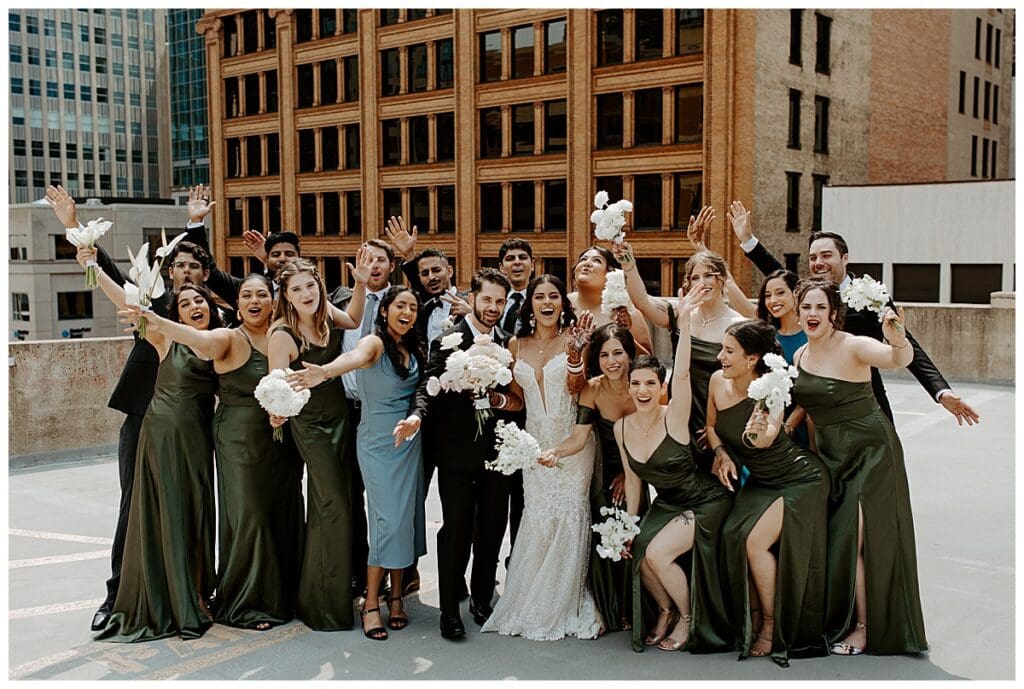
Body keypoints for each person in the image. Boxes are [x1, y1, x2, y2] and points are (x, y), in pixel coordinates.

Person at [45, 183, 225, 632]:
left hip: (194, 424)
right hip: (143, 416)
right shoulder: (155, 304)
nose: (184, 272)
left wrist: (196, 226)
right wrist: (73, 227)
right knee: (134, 507)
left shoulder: (215, 320)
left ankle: (195, 590)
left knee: (194, 508)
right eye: (177, 264)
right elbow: (108, 273)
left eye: (192, 266)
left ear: (204, 275)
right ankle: (117, 594)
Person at [117, 274, 304, 631]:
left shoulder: (285, 334)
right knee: (250, 517)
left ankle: (283, 595)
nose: (254, 300)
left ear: (273, 300)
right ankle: (245, 602)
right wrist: (154, 318)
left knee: (284, 511)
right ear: (237, 303)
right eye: (246, 294)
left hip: (282, 440)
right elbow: (197, 338)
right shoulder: (227, 337)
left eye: (262, 294)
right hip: (237, 438)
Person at [730, 208, 979, 426]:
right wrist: (748, 241)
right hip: (816, 403)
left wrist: (940, 391)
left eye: (826, 255)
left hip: (864, 398)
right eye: (813, 257)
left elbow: (906, 343)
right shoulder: (807, 293)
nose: (818, 263)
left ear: (844, 258)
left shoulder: (871, 296)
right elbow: (778, 275)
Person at [84, 256, 220, 641]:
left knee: (196, 513)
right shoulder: (164, 338)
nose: (196, 307)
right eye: (186, 304)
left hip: (199, 437)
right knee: (161, 511)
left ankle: (195, 592)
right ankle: (166, 597)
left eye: (201, 302)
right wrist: (92, 261)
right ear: (174, 313)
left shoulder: (220, 341)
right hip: (160, 434)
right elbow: (127, 300)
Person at [790, 278, 927, 655]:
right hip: (833, 457)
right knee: (843, 538)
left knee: (857, 537)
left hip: (872, 453)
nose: (812, 314)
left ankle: (865, 628)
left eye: (820, 307)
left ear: (834, 313)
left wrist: (896, 339)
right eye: (806, 307)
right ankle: (852, 619)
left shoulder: (853, 345)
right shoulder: (799, 356)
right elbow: (812, 413)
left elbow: (898, 360)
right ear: (798, 312)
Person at [287, 286, 428, 641]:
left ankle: (396, 599)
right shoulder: (374, 343)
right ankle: (370, 604)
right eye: (400, 305)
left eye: (412, 307)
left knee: (405, 521)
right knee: (386, 522)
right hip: (378, 443)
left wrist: (414, 419)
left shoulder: (413, 347)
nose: (407, 312)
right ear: (384, 312)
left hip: (408, 442)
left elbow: (420, 392)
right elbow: (352, 359)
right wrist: (325, 372)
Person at [481, 275, 601, 640]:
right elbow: (518, 399)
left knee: (568, 513)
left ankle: (560, 602)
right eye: (539, 297)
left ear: (562, 304)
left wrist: (578, 356)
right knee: (538, 515)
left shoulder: (575, 339)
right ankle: (528, 596)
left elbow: (579, 390)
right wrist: (493, 398)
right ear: (529, 304)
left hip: (572, 439)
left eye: (553, 296)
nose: (546, 302)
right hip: (533, 442)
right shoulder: (517, 344)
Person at [614, 284, 733, 653]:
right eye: (636, 383)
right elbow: (634, 483)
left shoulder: (675, 418)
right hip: (666, 504)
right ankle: (664, 610)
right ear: (629, 387)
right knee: (640, 551)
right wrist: (627, 527)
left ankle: (688, 617)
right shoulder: (622, 427)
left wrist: (681, 327)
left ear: (660, 386)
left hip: (703, 502)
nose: (643, 390)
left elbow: (682, 376)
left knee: (657, 555)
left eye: (650, 383)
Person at [705, 320, 831, 666]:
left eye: (729, 351)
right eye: (722, 348)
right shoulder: (718, 381)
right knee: (731, 534)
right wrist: (720, 453)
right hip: (761, 481)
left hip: (799, 479)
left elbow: (767, 435)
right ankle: (753, 615)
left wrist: (759, 431)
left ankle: (773, 624)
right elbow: (711, 427)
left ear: (752, 359)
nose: (721, 357)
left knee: (753, 542)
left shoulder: (768, 390)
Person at [410, 268, 514, 640]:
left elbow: (513, 398)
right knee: (455, 530)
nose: (493, 307)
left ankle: (482, 598)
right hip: (454, 452)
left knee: (491, 527)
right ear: (472, 297)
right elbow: (427, 385)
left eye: (500, 301)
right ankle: (449, 609)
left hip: (497, 454)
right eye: (487, 299)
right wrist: (418, 416)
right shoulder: (448, 339)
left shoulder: (507, 341)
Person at [267, 257, 368, 632]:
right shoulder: (282, 334)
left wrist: (358, 285)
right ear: (286, 296)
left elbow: (355, 320)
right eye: (296, 289)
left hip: (340, 416)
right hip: (311, 426)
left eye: (310, 285)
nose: (306, 294)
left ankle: (333, 592)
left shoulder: (326, 311)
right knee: (333, 505)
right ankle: (322, 604)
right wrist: (275, 414)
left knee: (341, 502)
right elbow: (274, 389)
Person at [542, 324, 649, 633]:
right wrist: (555, 452)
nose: (612, 361)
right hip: (604, 473)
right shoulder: (592, 388)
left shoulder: (644, 386)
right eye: (604, 355)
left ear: (630, 355)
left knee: (635, 530)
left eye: (618, 353)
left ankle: (634, 608)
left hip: (639, 470)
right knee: (605, 530)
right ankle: (608, 610)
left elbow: (657, 437)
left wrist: (629, 474)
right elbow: (578, 438)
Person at [616, 243, 745, 471]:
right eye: (695, 278)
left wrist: (718, 427)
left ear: (722, 280)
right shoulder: (680, 314)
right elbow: (643, 302)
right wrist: (629, 265)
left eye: (709, 276)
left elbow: (743, 382)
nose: (702, 282)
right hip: (680, 411)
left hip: (717, 413)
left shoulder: (738, 326)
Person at [568, 246, 653, 353]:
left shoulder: (626, 311)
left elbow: (647, 359)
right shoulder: (561, 304)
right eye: (583, 259)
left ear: (611, 273)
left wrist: (624, 334)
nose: (587, 263)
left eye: (597, 260)